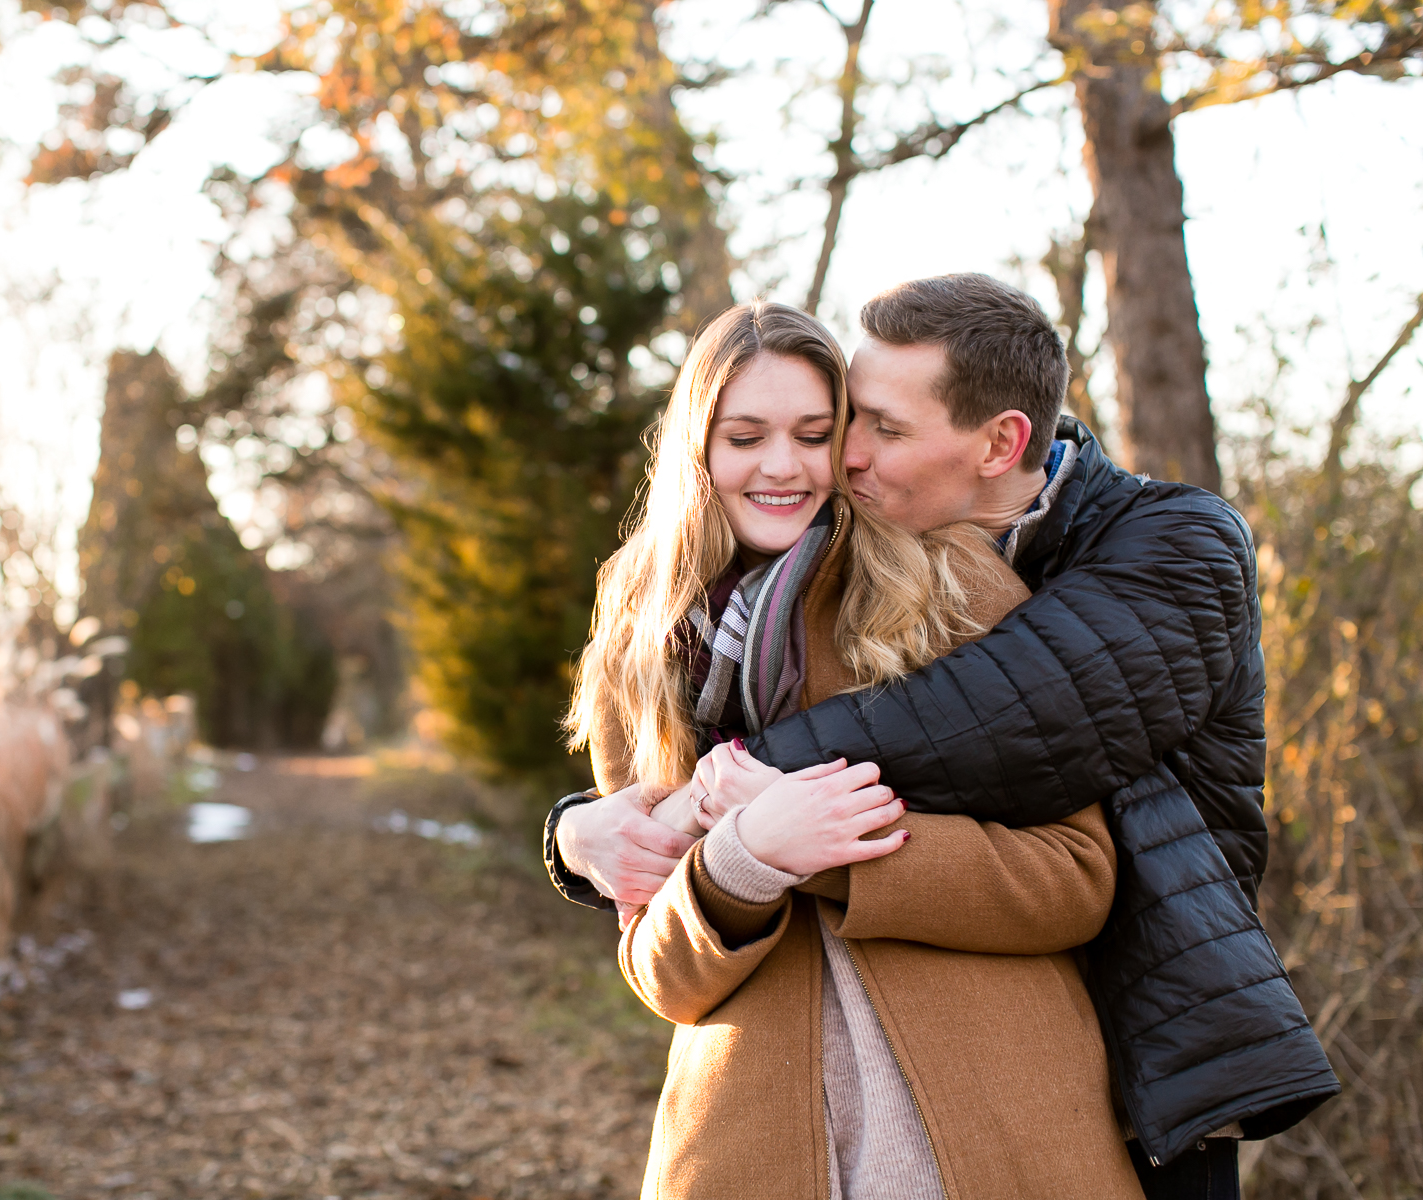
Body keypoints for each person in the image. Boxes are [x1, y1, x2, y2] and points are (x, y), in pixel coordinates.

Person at [547, 276, 1338, 1196]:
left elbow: (1065, 857)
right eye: (745, 437)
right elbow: (660, 968)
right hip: (749, 1142)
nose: (804, 465)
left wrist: (809, 839)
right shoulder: (641, 649)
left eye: (822, 431)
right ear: (696, 446)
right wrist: (706, 860)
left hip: (1050, 1094)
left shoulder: (961, 577)